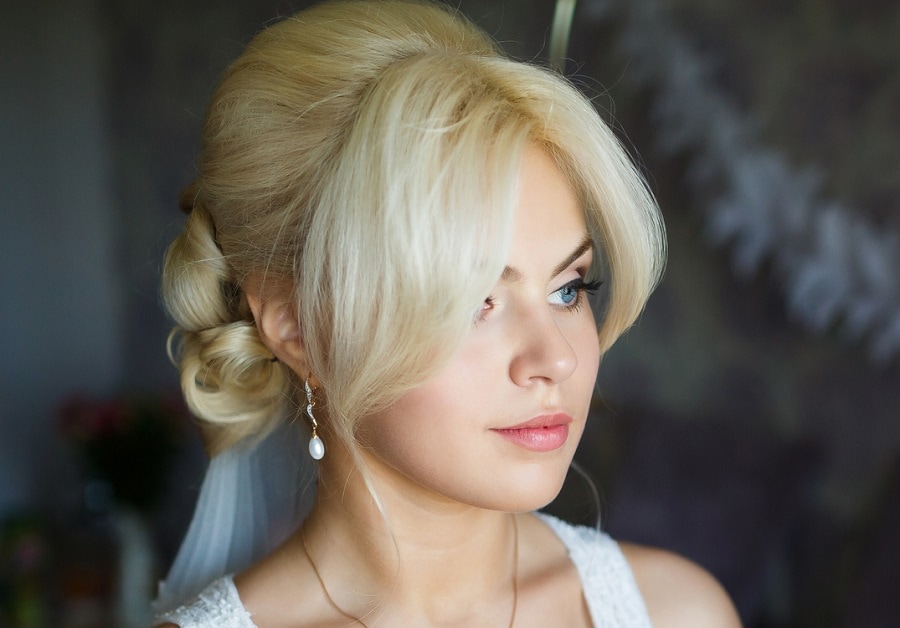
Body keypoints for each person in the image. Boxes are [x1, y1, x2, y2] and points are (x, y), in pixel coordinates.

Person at [154, 0, 740, 625]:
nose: (558, 357)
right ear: (298, 330)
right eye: (472, 301)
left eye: (569, 287)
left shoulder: (678, 612)